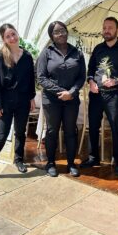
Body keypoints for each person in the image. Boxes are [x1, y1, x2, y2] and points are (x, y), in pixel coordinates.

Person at [0, 23, 36, 185]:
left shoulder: (27, 57)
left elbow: (31, 80)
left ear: (17, 34)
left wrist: (31, 98)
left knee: (20, 132)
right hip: (5, 103)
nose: (12, 38)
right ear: (4, 39)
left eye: (13, 34)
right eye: (8, 36)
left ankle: (19, 160)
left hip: (23, 102)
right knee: (0, 137)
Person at [80, 17, 118, 176]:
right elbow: (90, 70)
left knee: (116, 128)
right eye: (104, 27)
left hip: (114, 96)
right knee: (93, 126)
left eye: (110, 27)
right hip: (96, 94)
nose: (106, 30)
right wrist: (91, 81)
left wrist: (117, 80)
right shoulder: (98, 49)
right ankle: (93, 157)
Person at [36, 21, 86, 177]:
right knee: (52, 131)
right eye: (57, 32)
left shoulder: (77, 53)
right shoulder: (46, 53)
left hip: (71, 100)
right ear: (52, 36)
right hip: (52, 100)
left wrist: (71, 92)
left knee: (71, 131)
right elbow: (41, 77)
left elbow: (81, 77)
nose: (61, 34)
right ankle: (51, 163)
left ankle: (71, 163)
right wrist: (61, 92)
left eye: (63, 30)